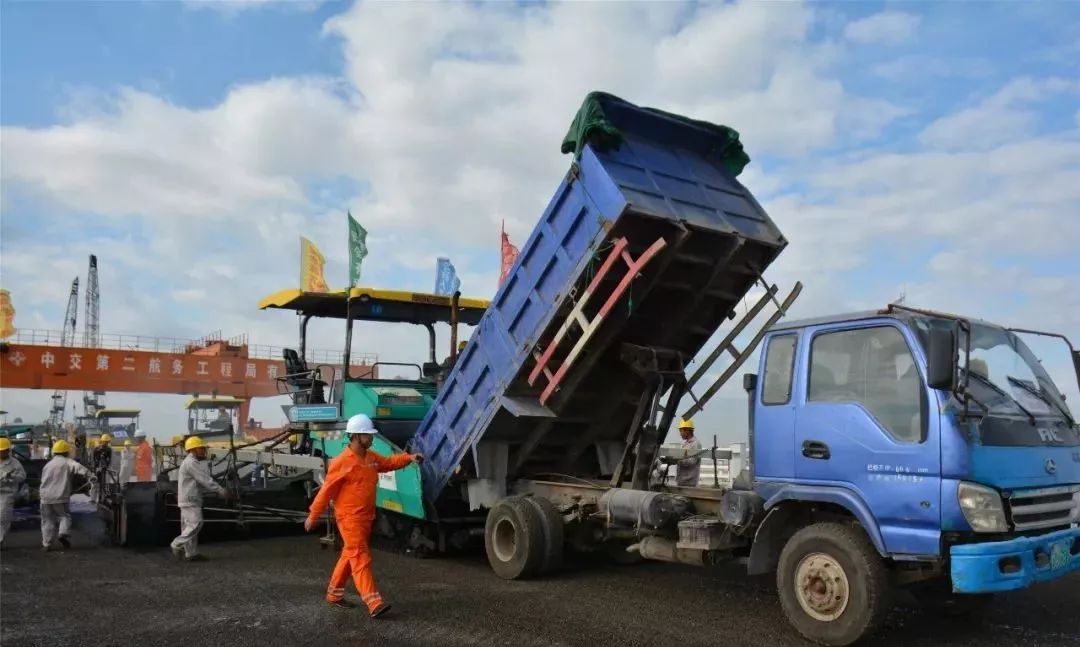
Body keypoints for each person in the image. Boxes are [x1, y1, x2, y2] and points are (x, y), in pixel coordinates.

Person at [304, 414, 422, 617]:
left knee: (349, 555)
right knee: (360, 556)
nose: (372, 439)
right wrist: (313, 515)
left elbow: (389, 463)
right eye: (368, 435)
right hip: (349, 519)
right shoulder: (341, 462)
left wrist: (408, 459)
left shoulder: (372, 458)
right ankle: (373, 602)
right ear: (356, 436)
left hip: (366, 517)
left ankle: (334, 594)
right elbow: (326, 491)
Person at [170, 436, 227, 561]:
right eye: (201, 448)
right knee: (196, 523)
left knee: (188, 527)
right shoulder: (191, 463)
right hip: (190, 499)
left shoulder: (190, 462)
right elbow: (205, 479)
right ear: (193, 449)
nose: (203, 450)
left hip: (188, 498)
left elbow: (200, 481)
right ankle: (176, 543)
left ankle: (191, 554)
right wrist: (221, 491)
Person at [39, 440, 96, 551]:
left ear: (54, 452)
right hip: (60, 496)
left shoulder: (48, 465)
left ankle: (46, 544)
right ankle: (63, 533)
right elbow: (80, 468)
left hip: (45, 497)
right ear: (66, 452)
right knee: (65, 516)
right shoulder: (67, 462)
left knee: (47, 520)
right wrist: (91, 476)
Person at [0, 437, 27, 549]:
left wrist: (11, 477)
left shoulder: (15, 463)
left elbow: (22, 477)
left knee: (2, 518)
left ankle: (0, 540)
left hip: (7, 494)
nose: (2, 452)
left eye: (4, 450)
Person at [673, 418, 702, 487]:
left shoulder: (696, 444)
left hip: (689, 483)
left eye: (681, 431)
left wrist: (677, 461)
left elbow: (692, 461)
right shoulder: (685, 444)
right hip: (682, 481)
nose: (680, 434)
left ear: (687, 431)